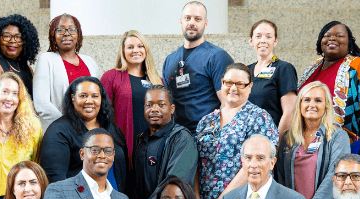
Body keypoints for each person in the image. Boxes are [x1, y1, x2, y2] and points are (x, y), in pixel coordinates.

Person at [196, 63, 278, 199]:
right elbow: (196, 164)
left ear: (250, 86)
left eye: (240, 84)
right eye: (229, 83)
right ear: (222, 83)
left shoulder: (259, 118)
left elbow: (255, 165)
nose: (233, 88)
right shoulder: (206, 121)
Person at [298, 21, 360, 140]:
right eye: (327, 35)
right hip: (305, 141)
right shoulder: (314, 66)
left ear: (349, 42)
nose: (332, 39)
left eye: (339, 36)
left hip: (345, 143)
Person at [40, 76, 129, 192]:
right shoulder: (58, 131)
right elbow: (55, 180)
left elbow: (124, 173)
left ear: (101, 99)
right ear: (73, 98)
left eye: (95, 96)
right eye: (83, 96)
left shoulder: (112, 129)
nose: (89, 101)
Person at [274, 81, 349, 199]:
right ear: (300, 104)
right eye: (307, 100)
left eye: (318, 100)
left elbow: (336, 175)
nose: (312, 105)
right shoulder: (288, 137)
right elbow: (280, 178)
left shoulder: (337, 136)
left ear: (326, 106)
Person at [130, 86, 198, 199]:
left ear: (172, 109)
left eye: (161, 105)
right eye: (149, 105)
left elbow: (174, 181)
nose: (154, 109)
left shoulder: (182, 138)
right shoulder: (141, 139)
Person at [162, 1, 234, 133]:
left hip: (207, 135)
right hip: (177, 136)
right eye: (187, 18)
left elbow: (228, 103)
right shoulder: (170, 60)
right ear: (181, 21)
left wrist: (217, 136)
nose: (192, 23)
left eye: (198, 19)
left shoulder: (218, 57)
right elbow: (166, 102)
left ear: (205, 23)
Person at [101, 30, 164, 156]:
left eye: (140, 46)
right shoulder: (111, 77)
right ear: (123, 51)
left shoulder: (157, 80)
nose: (136, 50)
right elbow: (102, 113)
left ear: (146, 50)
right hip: (122, 145)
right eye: (130, 47)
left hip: (152, 146)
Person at [32, 13, 100, 127]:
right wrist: (69, 126)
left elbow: (97, 98)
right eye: (60, 30)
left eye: (72, 29)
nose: (66, 34)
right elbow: (41, 104)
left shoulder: (90, 62)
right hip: (60, 130)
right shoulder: (46, 59)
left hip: (89, 130)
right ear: (53, 35)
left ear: (78, 34)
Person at [0, 14, 40, 116]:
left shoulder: (26, 67)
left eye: (18, 37)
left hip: (25, 126)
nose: (12, 41)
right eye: (6, 36)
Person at [246, 20, 298, 133]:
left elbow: (290, 111)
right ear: (251, 41)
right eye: (258, 36)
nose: (263, 40)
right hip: (245, 141)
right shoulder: (246, 71)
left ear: (275, 41)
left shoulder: (284, 68)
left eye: (268, 36)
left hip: (270, 141)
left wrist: (277, 143)